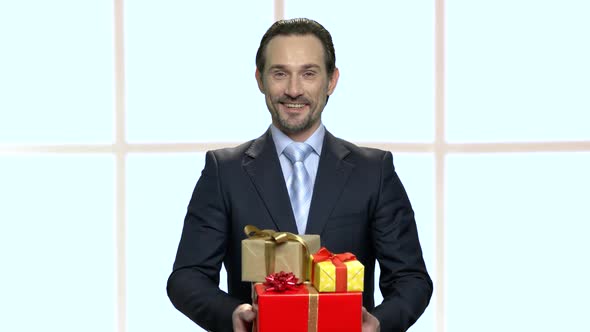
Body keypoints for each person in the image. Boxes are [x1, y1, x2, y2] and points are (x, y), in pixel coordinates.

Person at [167, 18, 432, 332]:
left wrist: (378, 324)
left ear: (331, 80)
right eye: (280, 73)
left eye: (308, 73)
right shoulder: (224, 171)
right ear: (260, 79)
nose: (293, 90)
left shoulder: (374, 171)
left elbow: (411, 279)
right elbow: (187, 277)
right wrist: (233, 315)